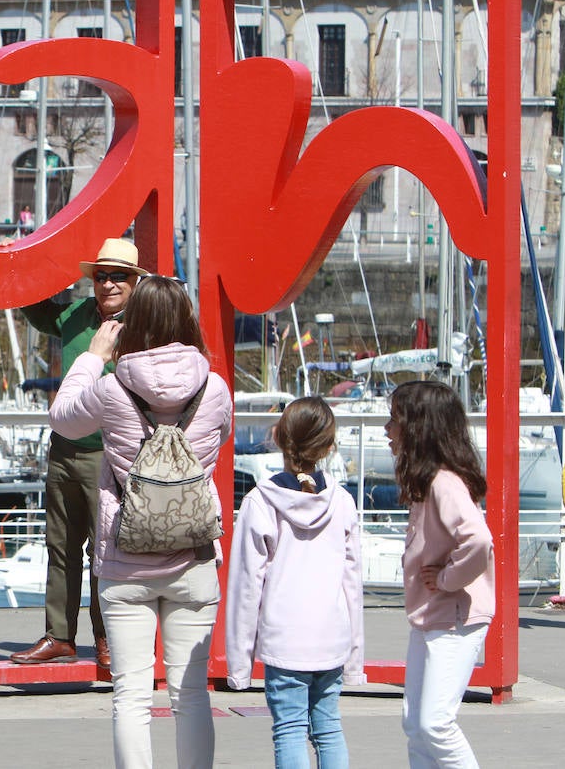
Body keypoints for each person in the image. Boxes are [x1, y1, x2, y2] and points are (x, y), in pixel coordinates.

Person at [49, 275, 231, 768]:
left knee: (130, 693)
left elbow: (63, 418)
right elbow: (223, 433)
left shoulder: (112, 387)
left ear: (133, 323)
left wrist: (93, 356)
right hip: (192, 559)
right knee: (190, 694)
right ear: (187, 321)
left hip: (126, 558)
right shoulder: (215, 387)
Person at [10, 236, 146, 669]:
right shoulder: (75, 314)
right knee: (60, 547)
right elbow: (33, 306)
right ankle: (59, 636)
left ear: (135, 282)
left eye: (118, 277)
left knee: (106, 552)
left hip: (112, 455)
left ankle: (106, 639)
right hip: (65, 449)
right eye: (100, 276)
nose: (107, 284)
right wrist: (21, 261)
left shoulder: (146, 324)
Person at [225, 397, 365, 769]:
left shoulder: (261, 501)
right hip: (331, 636)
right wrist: (355, 657)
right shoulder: (343, 502)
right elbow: (353, 585)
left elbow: (245, 586)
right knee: (329, 729)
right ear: (329, 447)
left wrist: (239, 665)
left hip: (284, 639)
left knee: (288, 730)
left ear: (277, 437)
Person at [389, 381, 494, 769]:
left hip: (455, 618)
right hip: (431, 617)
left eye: (394, 420)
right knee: (416, 724)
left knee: (435, 724)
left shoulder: (443, 483)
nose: (387, 429)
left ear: (419, 429)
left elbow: (479, 541)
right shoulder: (428, 483)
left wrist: (449, 579)